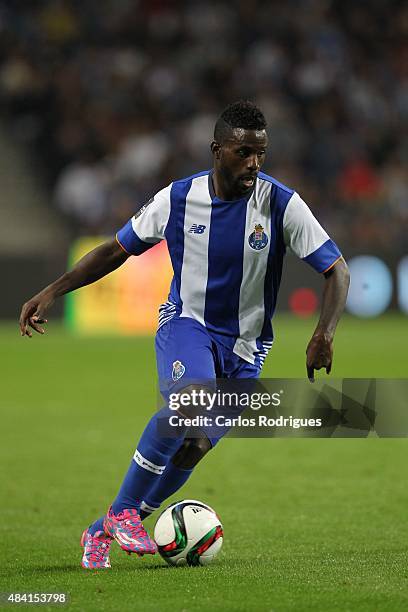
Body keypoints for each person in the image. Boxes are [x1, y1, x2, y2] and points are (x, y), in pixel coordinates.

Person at [19, 101, 350, 569]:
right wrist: (52, 292)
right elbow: (116, 250)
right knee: (190, 402)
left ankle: (100, 529)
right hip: (188, 323)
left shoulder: (280, 203)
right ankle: (125, 512)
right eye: (243, 152)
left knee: (194, 445)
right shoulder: (177, 199)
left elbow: (337, 269)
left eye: (261, 153)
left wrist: (325, 332)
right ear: (218, 150)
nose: (254, 163)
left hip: (248, 347)